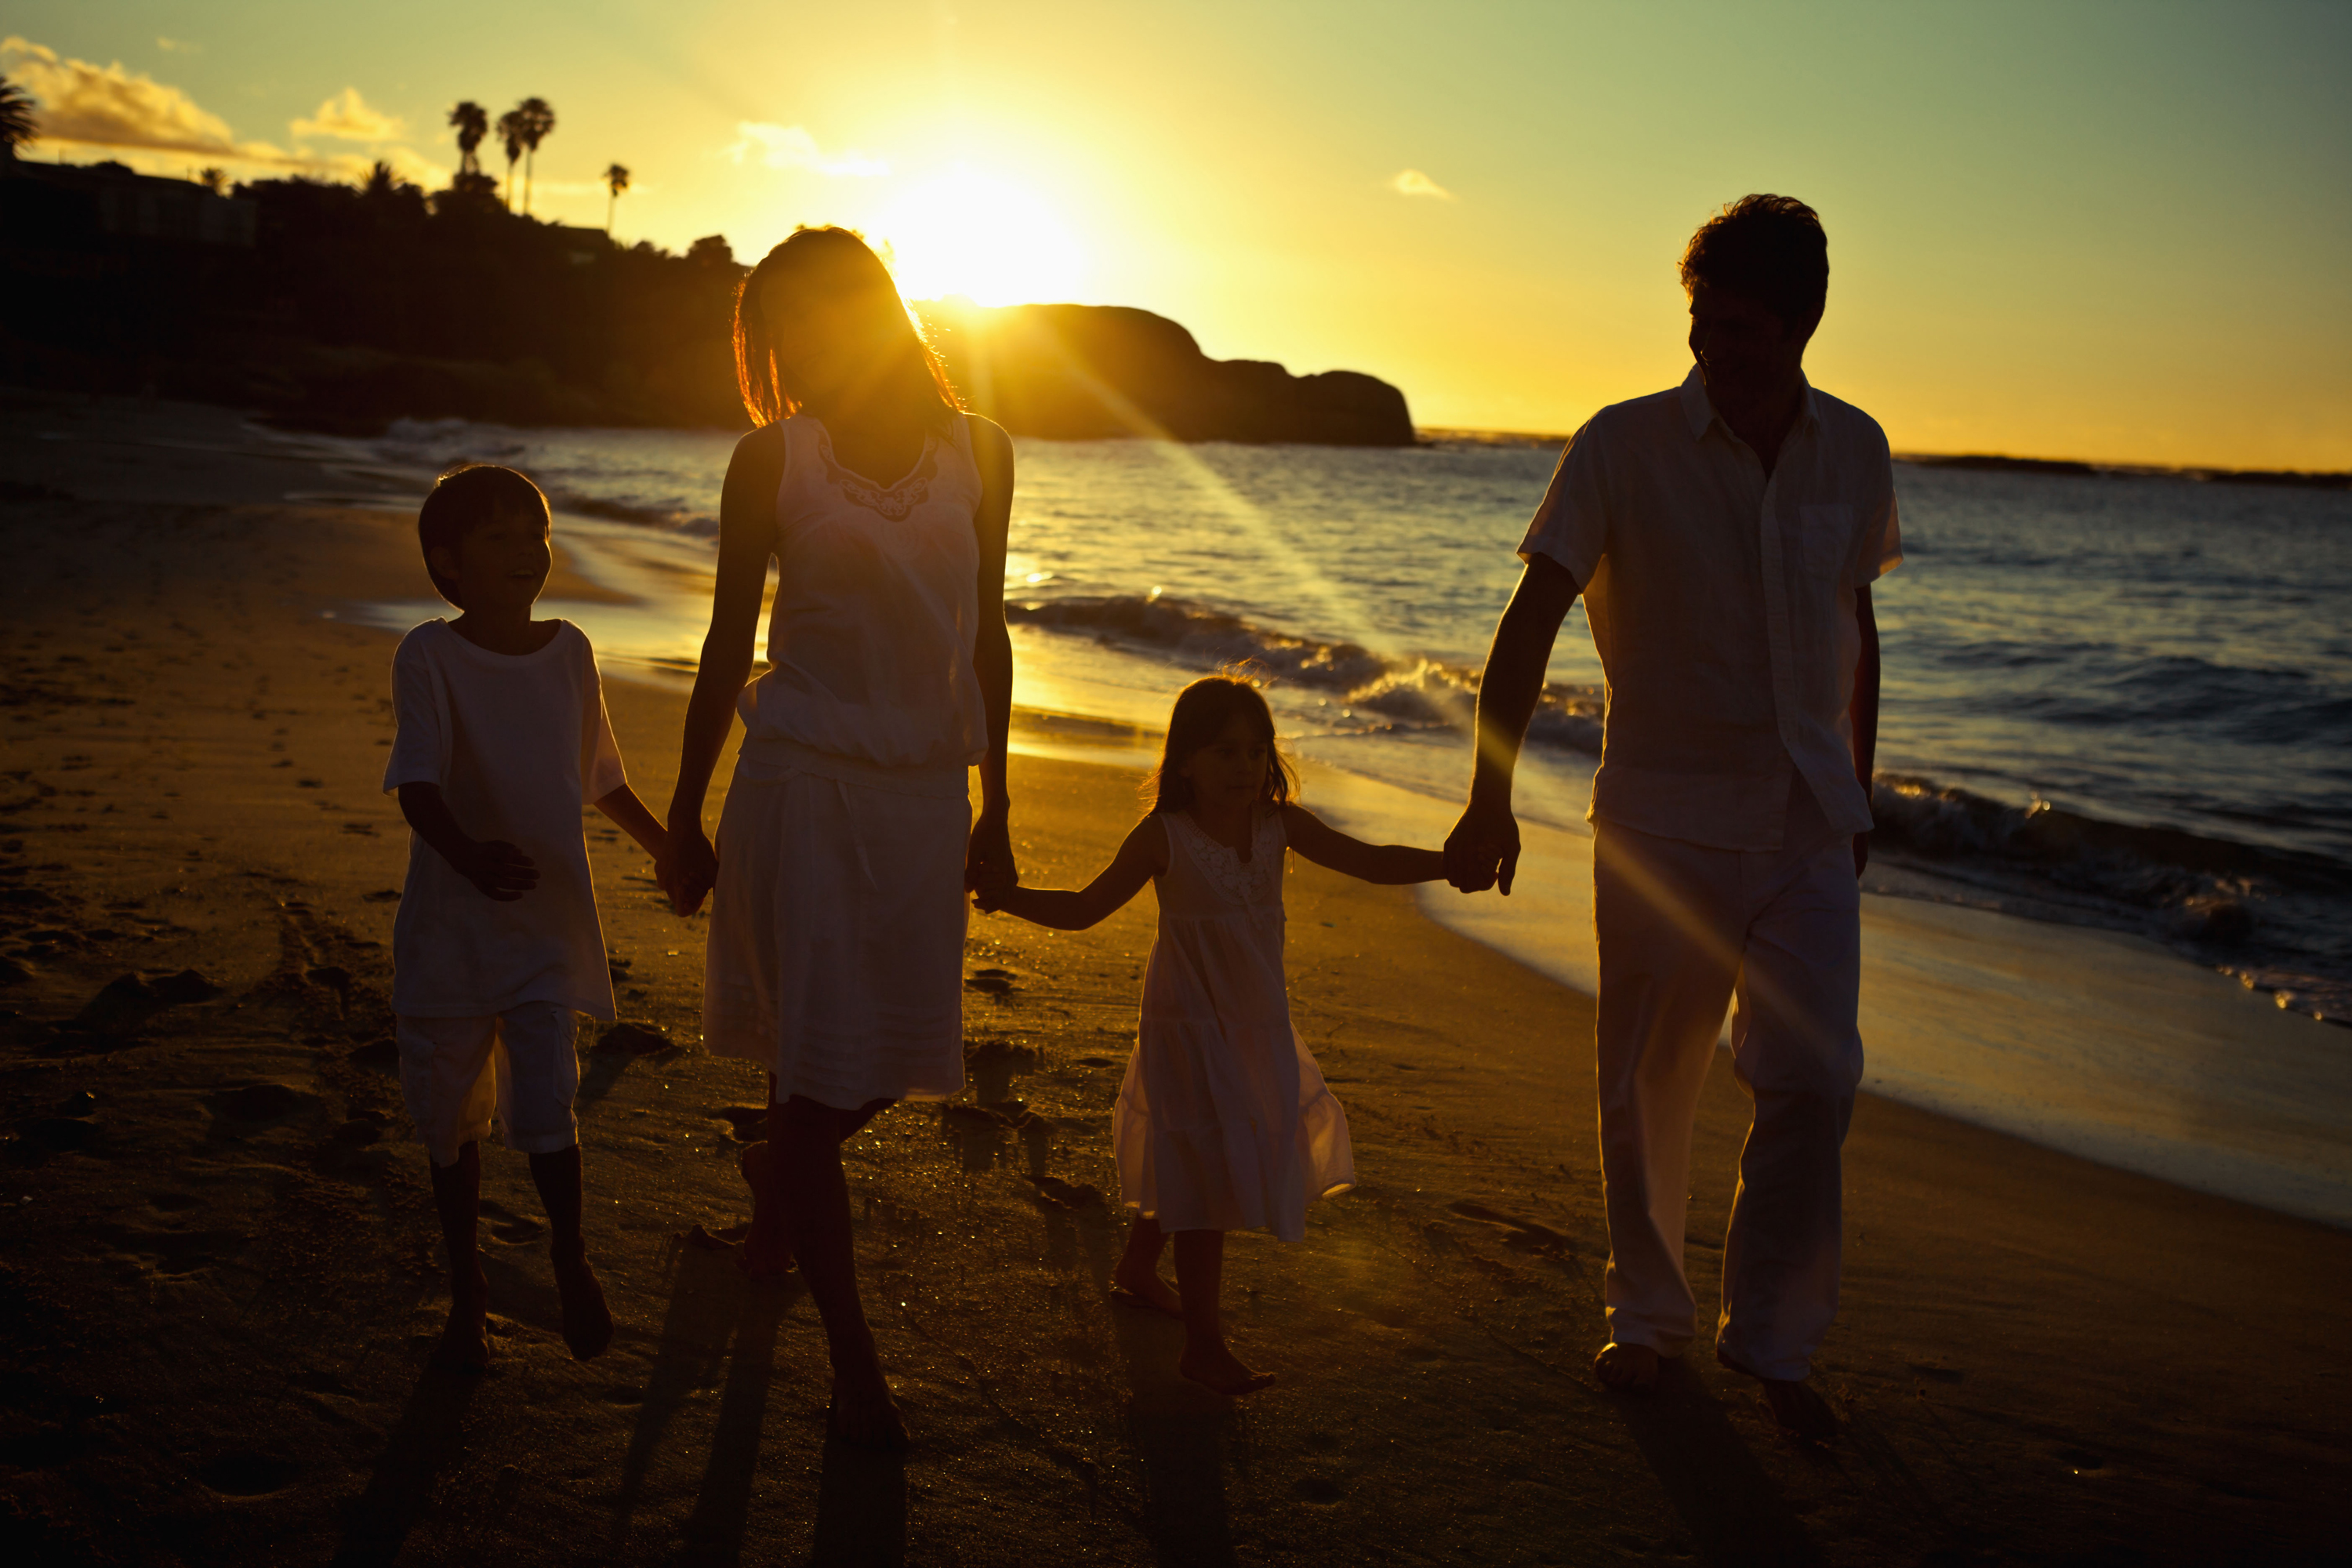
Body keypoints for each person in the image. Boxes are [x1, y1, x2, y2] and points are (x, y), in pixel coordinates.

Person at [1445, 194, 1900, 1441]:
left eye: (1742, 326)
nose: (1715, 346)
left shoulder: (1854, 449)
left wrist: (1861, 785)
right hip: (1663, 817)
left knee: (1815, 1076)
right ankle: (1646, 1320)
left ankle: (1773, 1336)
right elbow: (1534, 614)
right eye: (1702, 321)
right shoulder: (1621, 445)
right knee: (1649, 1081)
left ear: (1803, 320)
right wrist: (1491, 792)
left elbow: (1855, 625)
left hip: (1809, 816)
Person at [660, 226, 1017, 1450]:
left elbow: (989, 636)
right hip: (801, 779)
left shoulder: (983, 451)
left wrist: (999, 802)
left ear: (883, 307)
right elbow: (723, 645)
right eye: (788, 323)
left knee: (880, 1052)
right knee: (818, 1058)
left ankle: (776, 1191)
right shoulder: (773, 461)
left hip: (925, 790)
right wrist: (684, 810)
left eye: (834, 309)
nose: (815, 340)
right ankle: (855, 1362)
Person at [975, 674, 1443, 1396]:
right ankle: (1203, 1344)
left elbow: (1372, 860)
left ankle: (1136, 1270)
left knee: (1193, 1150)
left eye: (1257, 752)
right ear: (1184, 761)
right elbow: (1083, 908)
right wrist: (1008, 899)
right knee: (1209, 1167)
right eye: (1225, 752)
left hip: (1255, 1024)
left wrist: (1451, 864)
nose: (1245, 768)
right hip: (1186, 1027)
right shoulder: (1166, 837)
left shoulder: (1279, 826)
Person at [385, 463, 669, 1374]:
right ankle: (465, 1285)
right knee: (449, 1114)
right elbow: (417, 782)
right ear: (448, 561)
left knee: (550, 1097)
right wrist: (466, 856)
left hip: (547, 923)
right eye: (499, 537)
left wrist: (668, 848)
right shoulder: (428, 654)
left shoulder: (572, 649)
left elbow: (603, 775)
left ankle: (570, 1254)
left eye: (535, 533)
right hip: (451, 929)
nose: (525, 553)